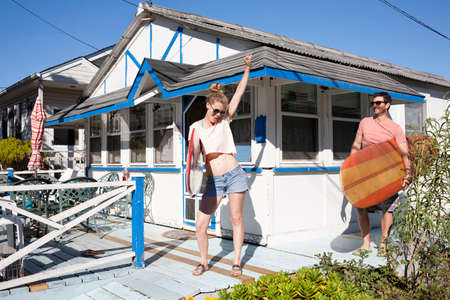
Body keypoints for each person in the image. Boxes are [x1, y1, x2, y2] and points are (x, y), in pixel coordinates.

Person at [190, 55, 251, 276]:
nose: (218, 115)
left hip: (234, 174)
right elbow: (194, 157)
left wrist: (247, 68)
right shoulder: (195, 128)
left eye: (221, 112)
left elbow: (239, 92)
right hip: (213, 180)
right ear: (207, 105)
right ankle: (204, 262)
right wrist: (192, 177)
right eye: (215, 110)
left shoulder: (225, 120)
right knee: (200, 224)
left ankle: (236, 262)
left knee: (236, 218)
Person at [350, 91, 410, 257]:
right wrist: (351, 166)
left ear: (387, 105)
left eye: (378, 103)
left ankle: (383, 245)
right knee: (361, 207)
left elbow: (404, 153)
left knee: (387, 209)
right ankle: (366, 244)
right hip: (366, 172)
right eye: (373, 103)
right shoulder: (365, 122)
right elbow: (356, 144)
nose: (374, 106)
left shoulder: (395, 128)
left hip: (388, 174)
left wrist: (408, 173)